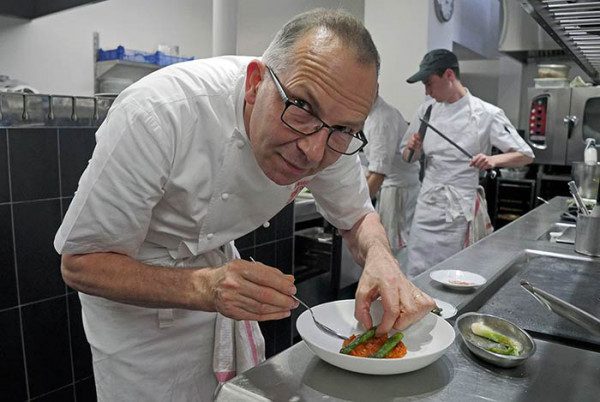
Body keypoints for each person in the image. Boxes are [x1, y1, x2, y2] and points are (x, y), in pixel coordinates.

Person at [54, 9, 434, 401]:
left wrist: (382, 258)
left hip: (223, 296)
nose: (313, 151)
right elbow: (81, 263)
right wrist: (206, 286)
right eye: (302, 108)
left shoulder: (330, 134)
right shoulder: (157, 113)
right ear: (255, 84)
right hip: (136, 323)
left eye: (343, 130)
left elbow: (357, 217)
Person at [400, 49, 534, 278]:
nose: (427, 91)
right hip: (427, 206)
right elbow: (407, 158)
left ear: (449, 75)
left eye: (429, 84)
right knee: (416, 269)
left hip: (460, 210)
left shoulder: (486, 113)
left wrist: (492, 160)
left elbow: (525, 154)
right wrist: (414, 148)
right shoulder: (426, 111)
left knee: (453, 272)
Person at [361, 95, 420, 256]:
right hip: (394, 189)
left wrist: (353, 212)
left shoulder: (381, 119)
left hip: (398, 194)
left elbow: (378, 174)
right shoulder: (371, 115)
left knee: (393, 250)